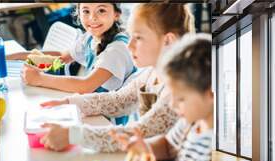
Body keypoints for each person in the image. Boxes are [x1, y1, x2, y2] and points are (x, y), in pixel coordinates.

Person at [38, 3, 195, 152]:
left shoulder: (178, 89)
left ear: (167, 40)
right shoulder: (151, 73)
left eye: (138, 38)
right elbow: (119, 100)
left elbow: (141, 133)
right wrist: (69, 102)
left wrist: (73, 135)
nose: (129, 45)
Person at [113, 34, 213, 161]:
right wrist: (146, 147)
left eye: (181, 99)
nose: (173, 104)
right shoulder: (189, 123)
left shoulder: (212, 149)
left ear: (211, 94)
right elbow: (168, 145)